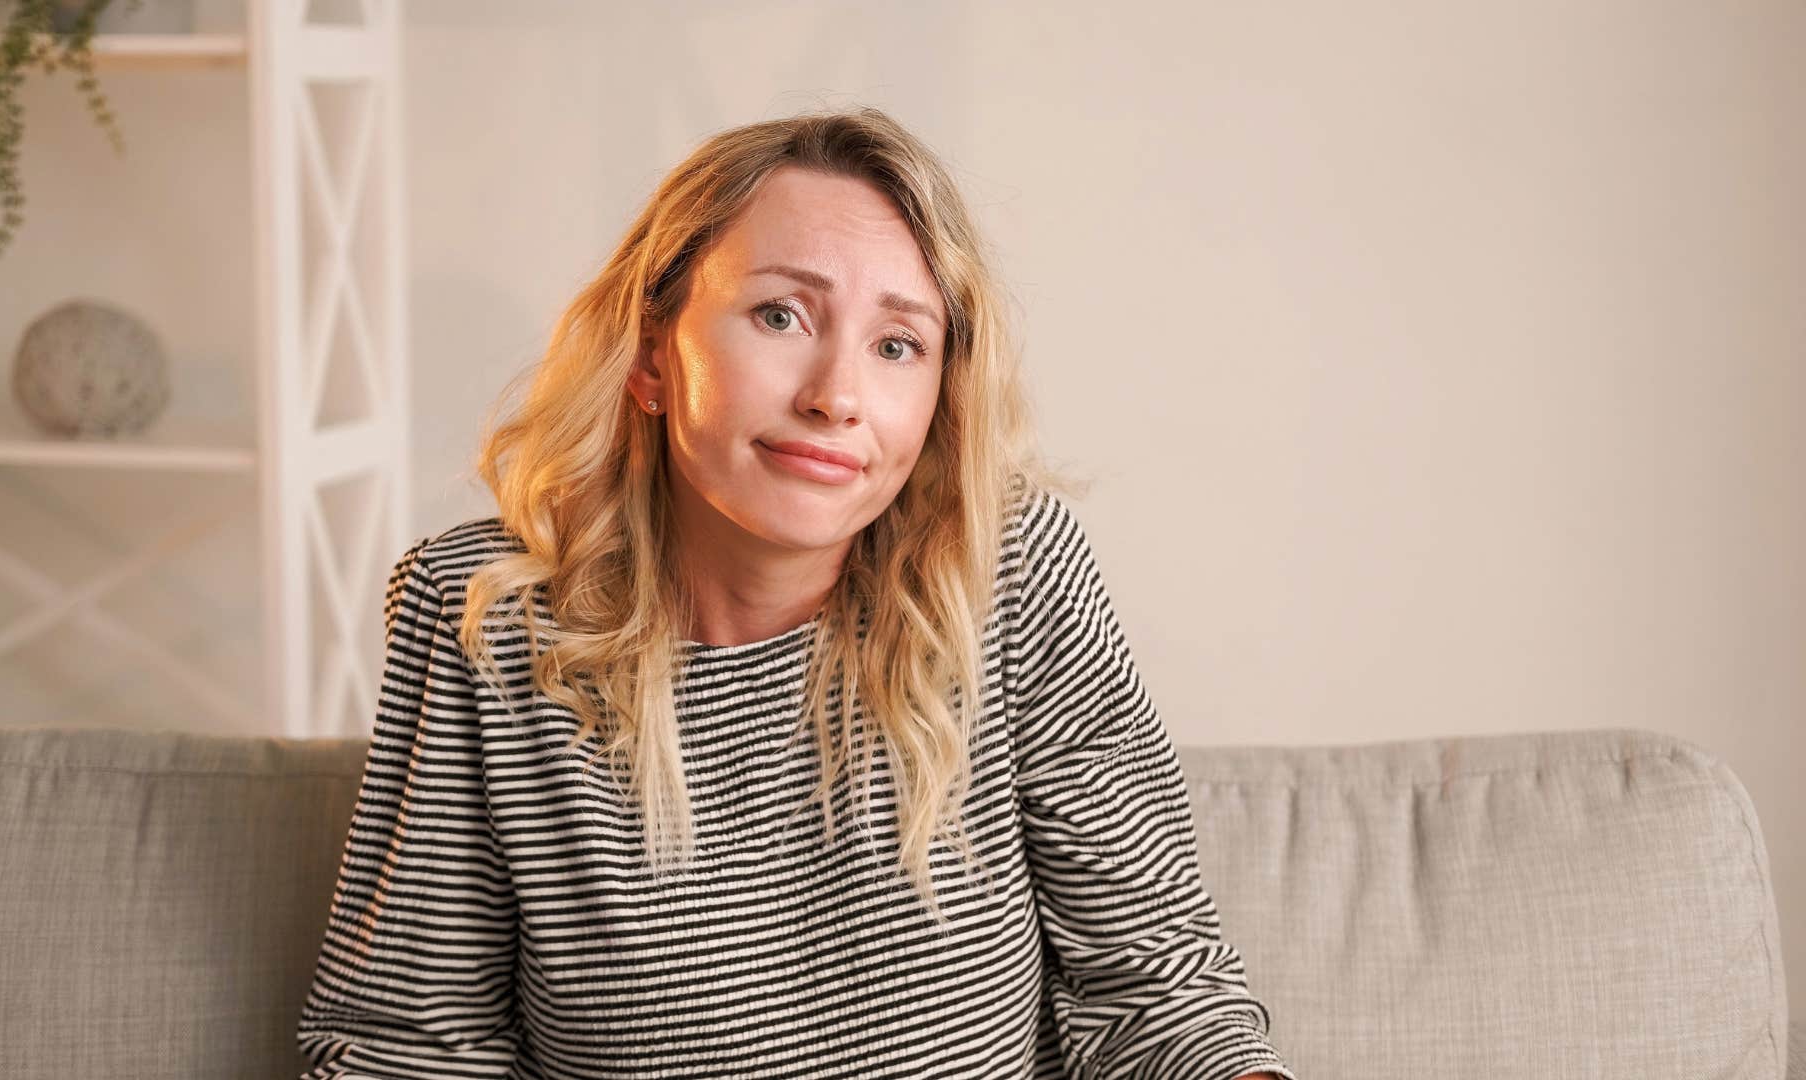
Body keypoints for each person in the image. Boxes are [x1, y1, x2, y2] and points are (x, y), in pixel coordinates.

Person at [296, 105, 1294, 1080]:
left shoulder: (1008, 570)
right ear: (651, 355)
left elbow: (1157, 995)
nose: (836, 394)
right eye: (781, 315)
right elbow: (406, 1046)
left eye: (897, 345)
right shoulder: (484, 612)